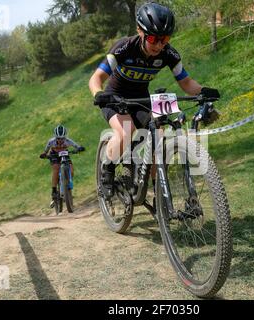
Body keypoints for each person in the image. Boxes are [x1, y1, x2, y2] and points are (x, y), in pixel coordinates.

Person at [88, 2, 220, 199]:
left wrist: (204, 91)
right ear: (140, 32)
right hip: (115, 98)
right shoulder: (124, 47)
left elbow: (186, 82)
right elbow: (96, 78)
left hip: (142, 97)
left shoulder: (169, 53)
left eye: (165, 39)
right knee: (126, 131)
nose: (159, 45)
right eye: (154, 39)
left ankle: (159, 191)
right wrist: (99, 94)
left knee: (158, 136)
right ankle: (107, 170)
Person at [39, 125, 85, 206]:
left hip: (65, 154)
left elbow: (76, 146)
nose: (60, 140)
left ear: (65, 137)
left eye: (62, 138)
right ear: (55, 137)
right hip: (54, 156)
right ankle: (54, 191)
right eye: (58, 138)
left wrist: (79, 148)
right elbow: (45, 151)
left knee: (71, 170)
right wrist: (44, 154)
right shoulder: (51, 142)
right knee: (56, 169)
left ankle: (68, 188)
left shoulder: (68, 141)